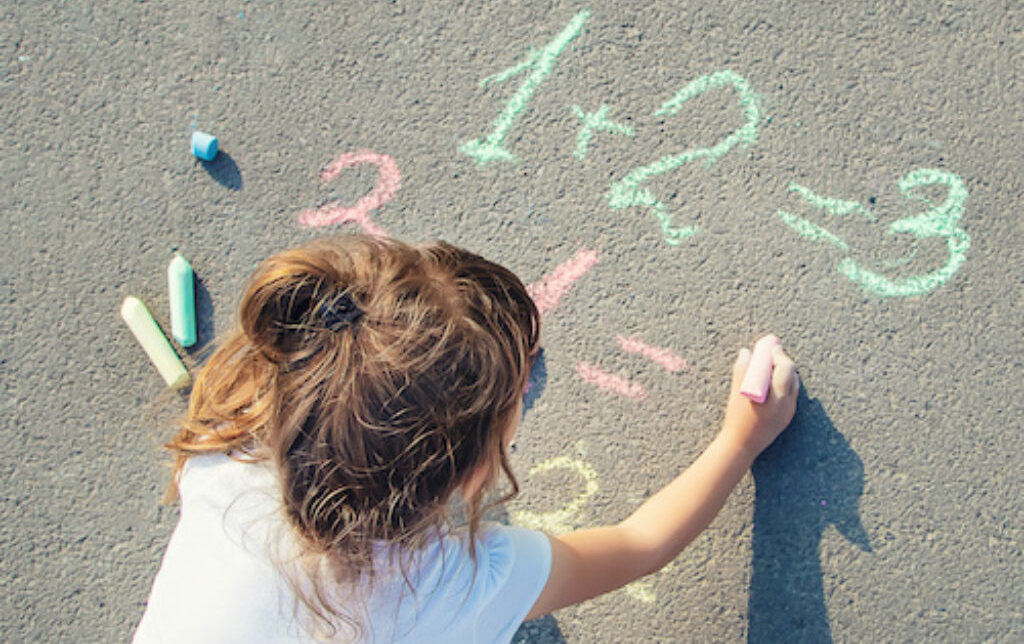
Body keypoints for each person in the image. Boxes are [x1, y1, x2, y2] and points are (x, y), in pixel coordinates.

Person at [133, 234, 799, 643]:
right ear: (472, 474)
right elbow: (640, 544)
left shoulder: (228, 442)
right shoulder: (459, 589)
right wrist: (742, 438)